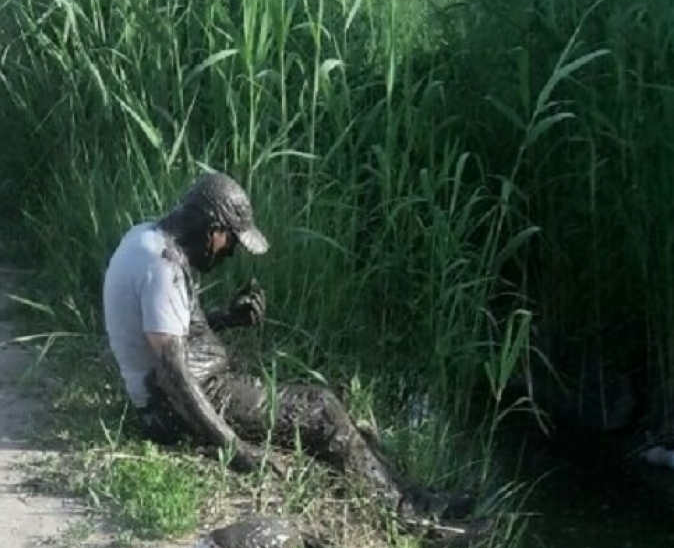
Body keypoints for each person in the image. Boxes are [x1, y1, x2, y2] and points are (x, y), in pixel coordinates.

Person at [102, 171, 471, 520]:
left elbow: (165, 329)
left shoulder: (146, 237)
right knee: (323, 410)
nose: (230, 254)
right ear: (214, 232)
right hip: (173, 411)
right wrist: (235, 448)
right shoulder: (162, 266)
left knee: (329, 405)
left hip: (181, 396)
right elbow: (175, 374)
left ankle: (413, 494)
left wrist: (227, 318)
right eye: (231, 242)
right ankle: (408, 516)